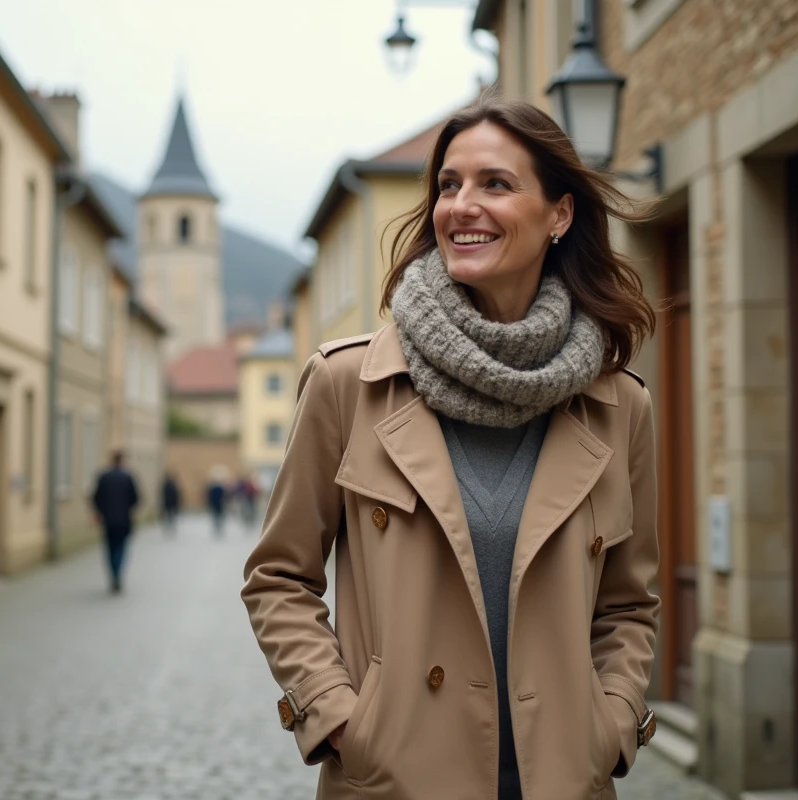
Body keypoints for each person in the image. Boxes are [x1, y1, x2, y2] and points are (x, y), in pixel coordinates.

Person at [241, 93, 661, 800]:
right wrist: (345, 721)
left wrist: (610, 723)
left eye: (495, 184)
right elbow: (279, 578)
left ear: (559, 215)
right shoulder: (349, 383)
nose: (462, 205)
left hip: (561, 780)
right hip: (396, 779)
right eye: (448, 185)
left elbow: (628, 606)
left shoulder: (619, 406)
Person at [92, 450, 139, 594]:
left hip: (108, 520)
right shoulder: (128, 478)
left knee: (110, 548)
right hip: (124, 520)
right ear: (122, 461)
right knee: (121, 548)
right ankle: (118, 573)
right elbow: (135, 499)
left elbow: (96, 498)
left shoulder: (104, 477)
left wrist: (99, 512)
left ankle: (113, 573)